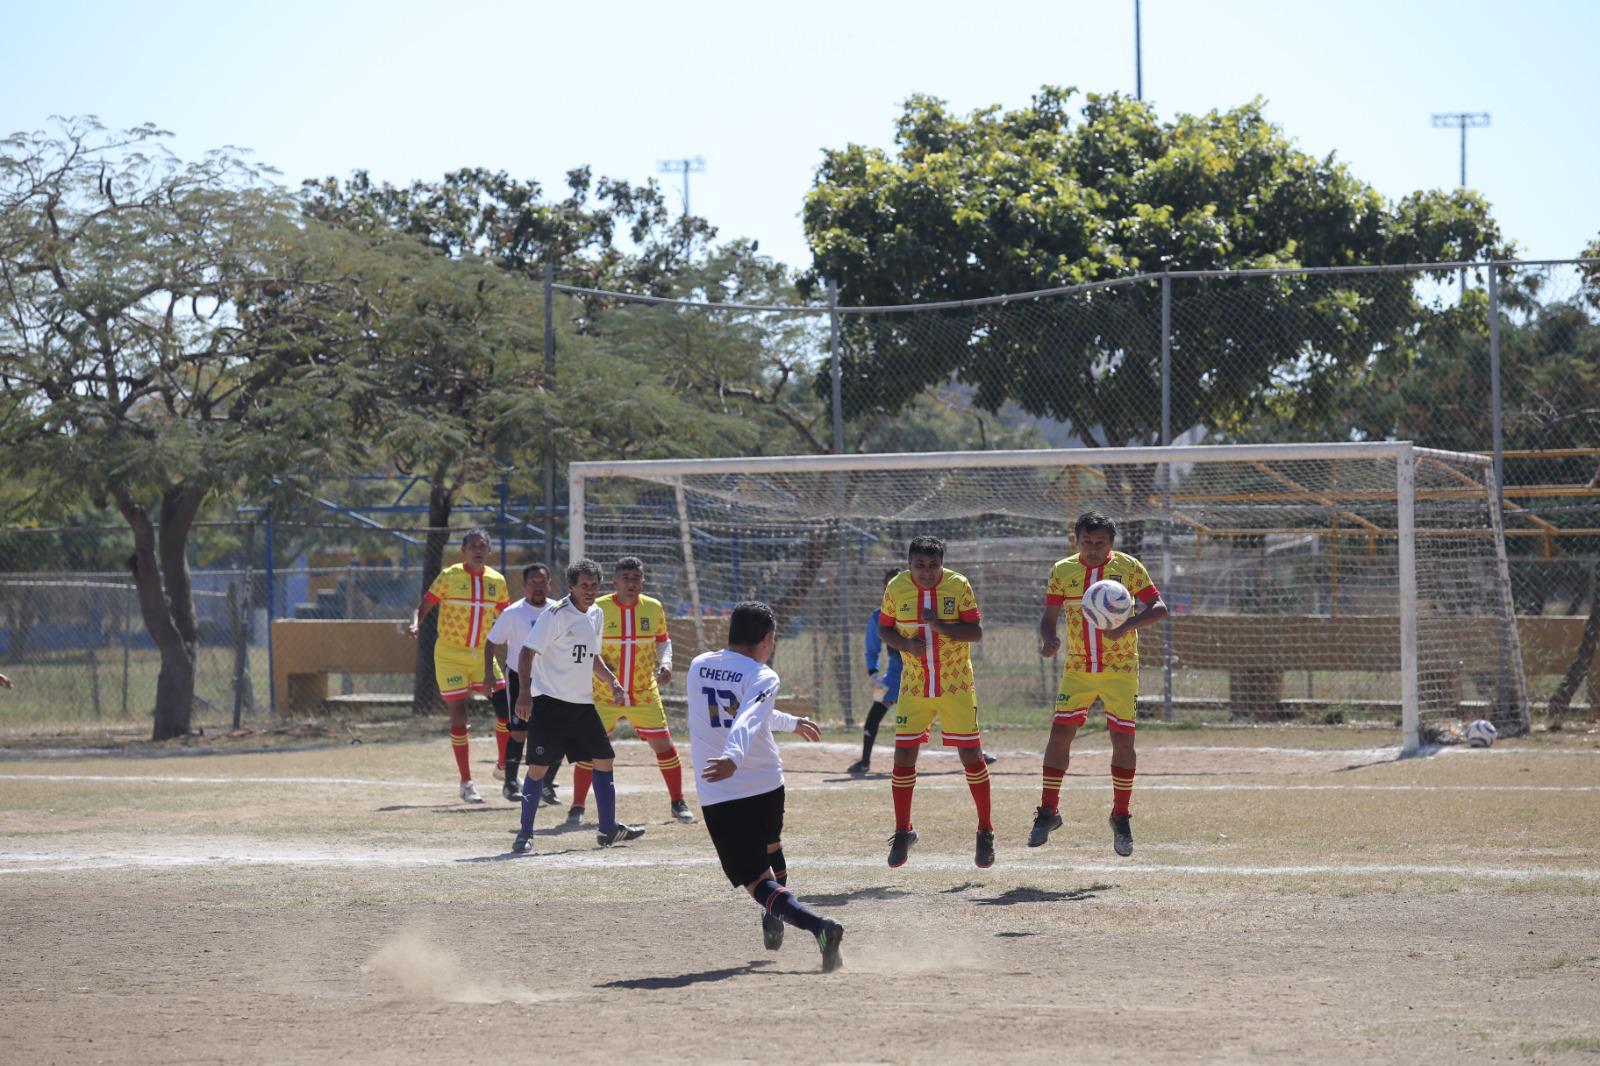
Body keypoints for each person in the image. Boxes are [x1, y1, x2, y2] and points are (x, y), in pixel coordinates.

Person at [688, 600, 843, 972]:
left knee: (757, 881)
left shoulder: (699, 666)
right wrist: (789, 724)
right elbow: (749, 712)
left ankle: (819, 927)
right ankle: (776, 914)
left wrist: (731, 757)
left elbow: (745, 716)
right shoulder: (763, 674)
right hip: (768, 784)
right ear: (767, 639)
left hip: (724, 788)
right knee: (771, 846)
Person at [1035, 510, 1168, 857]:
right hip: (1078, 667)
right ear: (1076, 540)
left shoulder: (1128, 568)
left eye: (1100, 543)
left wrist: (1124, 627)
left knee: (1122, 739)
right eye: (1087, 542)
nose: (1093, 548)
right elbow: (1048, 619)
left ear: (1112, 543)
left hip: (1120, 668)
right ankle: (1048, 811)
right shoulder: (1062, 571)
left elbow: (1159, 608)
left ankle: (1121, 816)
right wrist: (1049, 640)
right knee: (1060, 734)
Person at [876, 535, 994, 870]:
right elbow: (884, 629)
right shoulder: (897, 587)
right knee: (903, 756)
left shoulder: (958, 585)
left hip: (955, 684)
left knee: (970, 755)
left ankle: (985, 830)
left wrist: (940, 626)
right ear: (909, 564)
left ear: (942, 563)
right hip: (914, 686)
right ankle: (903, 830)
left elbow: (976, 632)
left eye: (933, 565)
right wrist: (905, 644)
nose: (926, 572)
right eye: (919, 565)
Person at [512, 559, 644, 853]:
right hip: (549, 704)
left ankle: (608, 829)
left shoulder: (596, 613)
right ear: (570, 586)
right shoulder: (555, 614)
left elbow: (592, 656)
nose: (589, 590)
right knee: (538, 769)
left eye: (594, 585)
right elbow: (526, 652)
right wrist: (524, 694)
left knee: (604, 759)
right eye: (583, 585)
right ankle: (524, 833)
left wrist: (611, 681)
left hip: (583, 705)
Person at [567, 557, 693, 825]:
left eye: (636, 578)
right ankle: (577, 806)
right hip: (603, 694)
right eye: (625, 577)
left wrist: (666, 663)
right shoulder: (598, 609)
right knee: (590, 750)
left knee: (665, 746)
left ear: (643, 582)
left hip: (643, 692)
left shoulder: (653, 608)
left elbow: (663, 641)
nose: (631, 582)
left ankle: (678, 802)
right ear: (614, 581)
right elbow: (586, 648)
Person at [408, 529, 511, 804]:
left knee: (506, 711)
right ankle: (466, 782)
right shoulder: (449, 576)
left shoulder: (497, 581)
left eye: (483, 546)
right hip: (450, 654)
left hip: (483, 656)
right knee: (460, 716)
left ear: (489, 552)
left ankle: (503, 768)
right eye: (473, 546)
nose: (478, 550)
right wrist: (416, 624)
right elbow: (423, 606)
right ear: (463, 551)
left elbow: (507, 616)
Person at [486, 563, 564, 803]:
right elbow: (491, 642)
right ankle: (510, 782)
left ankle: (547, 784)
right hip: (520, 678)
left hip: (552, 678)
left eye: (543, 582)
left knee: (558, 732)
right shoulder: (513, 613)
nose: (538, 587)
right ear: (524, 585)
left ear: (550, 584)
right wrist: (488, 674)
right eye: (533, 582)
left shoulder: (559, 611)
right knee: (519, 731)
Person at [846, 569, 903, 776]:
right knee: (874, 712)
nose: (894, 590)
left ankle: (976, 753)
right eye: (889, 586)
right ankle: (864, 761)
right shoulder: (878, 617)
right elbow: (872, 650)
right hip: (895, 675)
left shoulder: (919, 611)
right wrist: (873, 673)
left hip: (923, 674)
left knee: (951, 709)